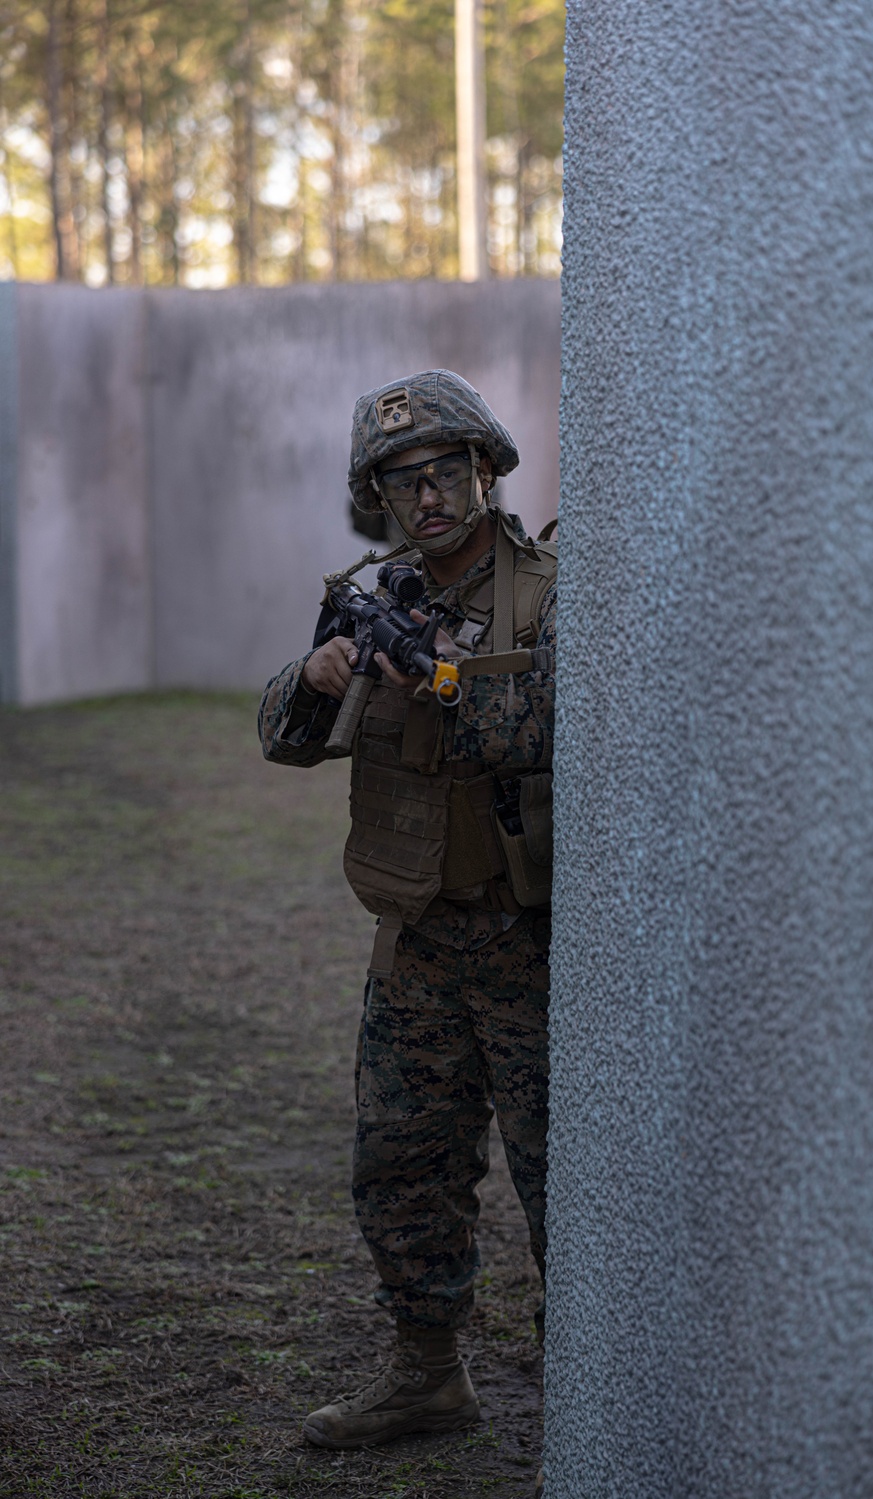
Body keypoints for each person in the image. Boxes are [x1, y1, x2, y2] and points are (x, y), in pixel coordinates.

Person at [258, 369, 556, 1451]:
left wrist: (438, 676)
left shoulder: (548, 586)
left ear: (484, 468)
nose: (425, 498)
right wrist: (322, 676)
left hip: (529, 943)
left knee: (555, 1179)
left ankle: (588, 1395)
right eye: (401, 483)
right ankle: (427, 1373)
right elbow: (284, 740)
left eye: (443, 472)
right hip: (418, 937)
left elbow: (542, 726)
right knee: (401, 1167)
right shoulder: (374, 593)